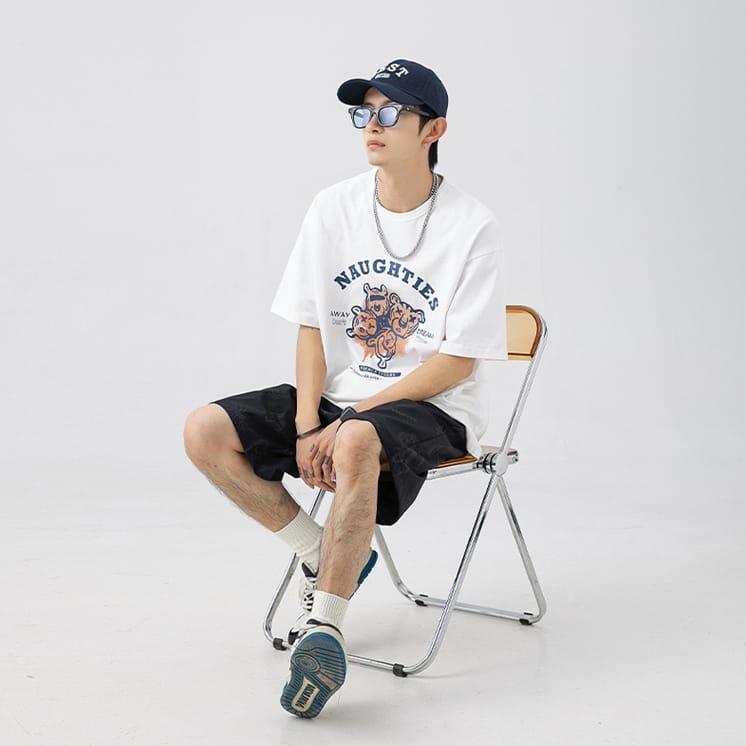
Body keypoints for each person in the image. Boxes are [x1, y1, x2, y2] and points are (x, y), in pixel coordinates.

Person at [183, 58, 508, 719]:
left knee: (357, 436)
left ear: (433, 129)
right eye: (364, 112)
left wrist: (347, 419)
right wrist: (310, 422)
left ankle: (324, 628)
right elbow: (311, 325)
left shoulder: (473, 226)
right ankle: (322, 553)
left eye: (390, 113)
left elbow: (456, 365)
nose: (371, 125)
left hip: (431, 409)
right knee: (204, 430)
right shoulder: (333, 207)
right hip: (339, 405)